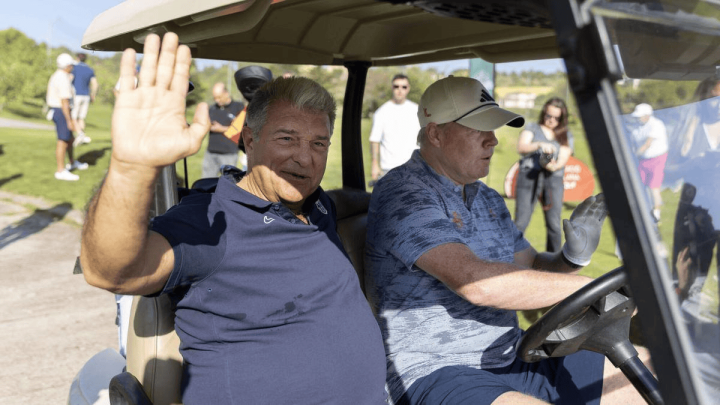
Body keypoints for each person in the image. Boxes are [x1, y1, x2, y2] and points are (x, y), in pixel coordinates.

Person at [80, 32, 386, 404]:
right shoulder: (213, 219)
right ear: (250, 140)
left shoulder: (317, 205)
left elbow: (347, 199)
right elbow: (111, 272)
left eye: (318, 143)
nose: (305, 158)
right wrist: (131, 167)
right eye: (287, 139)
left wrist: (387, 199)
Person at [366, 76, 649, 405]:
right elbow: (474, 283)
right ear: (436, 134)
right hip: (435, 369)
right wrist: (591, 288)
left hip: (512, 354)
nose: (493, 140)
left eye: (492, 128)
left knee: (649, 372)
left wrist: (571, 258)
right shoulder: (403, 193)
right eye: (479, 129)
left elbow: (529, 266)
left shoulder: (487, 198)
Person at [514, 97, 574, 252]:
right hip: (529, 176)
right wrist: (539, 145)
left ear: (562, 118)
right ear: (544, 113)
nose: (552, 120)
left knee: (554, 224)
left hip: (553, 179)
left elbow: (563, 157)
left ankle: (553, 260)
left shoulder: (566, 134)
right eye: (549, 116)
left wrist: (553, 165)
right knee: (521, 222)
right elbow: (521, 147)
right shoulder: (532, 128)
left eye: (556, 118)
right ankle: (509, 256)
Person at [369, 74, 420, 181]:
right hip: (390, 168)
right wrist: (374, 164)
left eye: (404, 87)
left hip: (414, 167)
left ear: (408, 88)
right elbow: (375, 140)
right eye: (396, 86)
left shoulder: (417, 110)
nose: (400, 90)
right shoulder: (381, 112)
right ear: (392, 88)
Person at [46, 53, 88, 181]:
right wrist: (69, 121)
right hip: (61, 111)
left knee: (70, 139)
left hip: (61, 110)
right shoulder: (62, 78)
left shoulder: (60, 75)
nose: (72, 67)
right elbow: (64, 101)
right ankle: (60, 170)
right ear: (67, 66)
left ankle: (72, 162)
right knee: (63, 140)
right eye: (71, 65)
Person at [630, 103, 668, 222]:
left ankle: (656, 213)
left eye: (639, 116)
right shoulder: (637, 127)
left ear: (647, 116)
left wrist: (633, 156)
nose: (637, 118)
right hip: (643, 160)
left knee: (653, 186)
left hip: (657, 159)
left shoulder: (656, 124)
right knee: (640, 185)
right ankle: (643, 210)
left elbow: (647, 144)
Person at [201, 82, 245, 177]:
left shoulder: (238, 106)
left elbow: (242, 129)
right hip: (211, 152)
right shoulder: (212, 108)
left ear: (226, 93)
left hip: (228, 153)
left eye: (219, 97)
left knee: (228, 181)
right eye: (215, 98)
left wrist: (221, 129)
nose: (217, 100)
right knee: (206, 181)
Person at [71, 52, 98, 147]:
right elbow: (95, 84)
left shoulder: (74, 68)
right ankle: (82, 137)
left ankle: (80, 135)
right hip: (86, 96)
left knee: (73, 117)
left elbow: (70, 79)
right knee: (81, 118)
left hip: (76, 95)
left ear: (77, 58)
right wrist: (93, 95)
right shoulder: (90, 69)